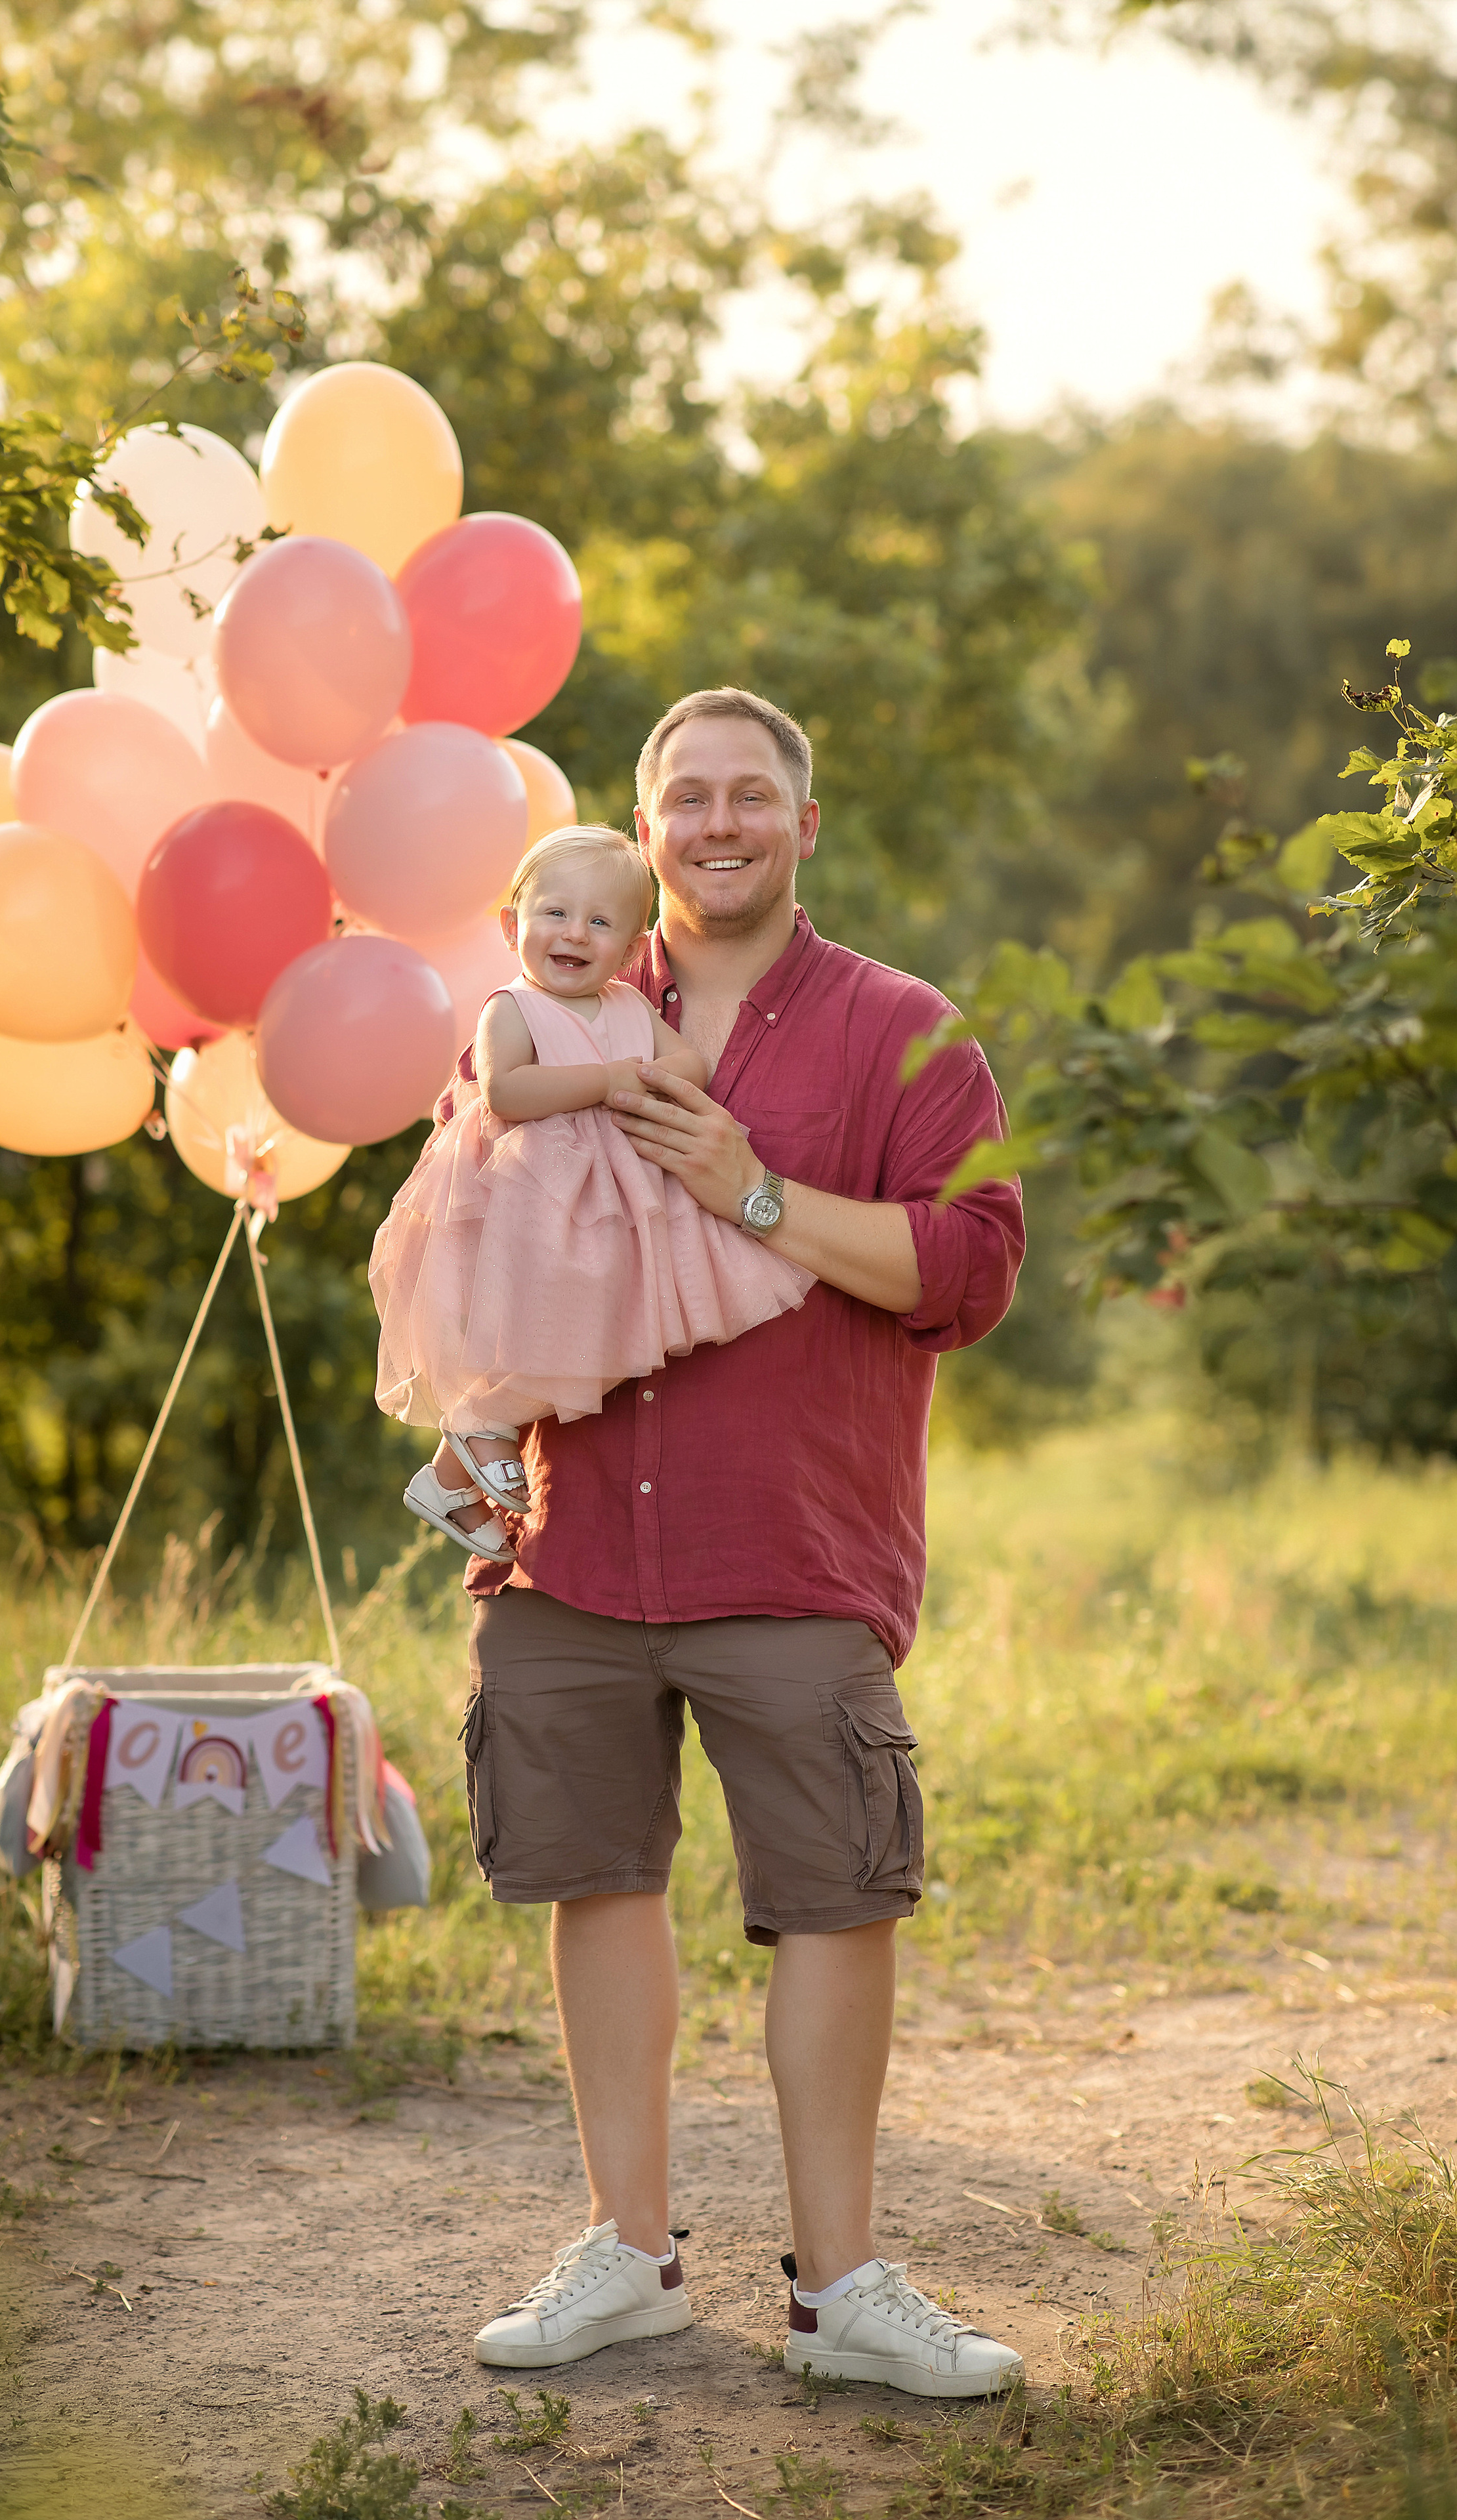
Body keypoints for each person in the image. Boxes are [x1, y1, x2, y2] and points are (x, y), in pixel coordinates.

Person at [451, 688, 1027, 2394]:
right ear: (645, 834)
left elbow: (969, 1270)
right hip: (568, 1545)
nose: (717, 822)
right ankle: (626, 2255)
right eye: (686, 797)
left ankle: (840, 2290)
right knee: (595, 1880)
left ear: (803, 824)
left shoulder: (904, 1030)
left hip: (791, 1541)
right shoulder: (550, 1010)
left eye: (749, 795)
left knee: (838, 1897)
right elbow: (472, 1238)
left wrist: (750, 1192)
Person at [370, 824, 814, 1557]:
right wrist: (610, 1080)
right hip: (531, 1192)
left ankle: (452, 1470)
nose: (575, 933)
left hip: (613, 1198)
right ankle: (477, 1431)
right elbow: (507, 1091)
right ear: (511, 926)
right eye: (555, 913)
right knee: (548, 1322)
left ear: (631, 949)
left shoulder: (627, 1007)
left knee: (604, 1329)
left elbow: (692, 1064)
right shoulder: (511, 1007)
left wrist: (651, 1077)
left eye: (600, 922)